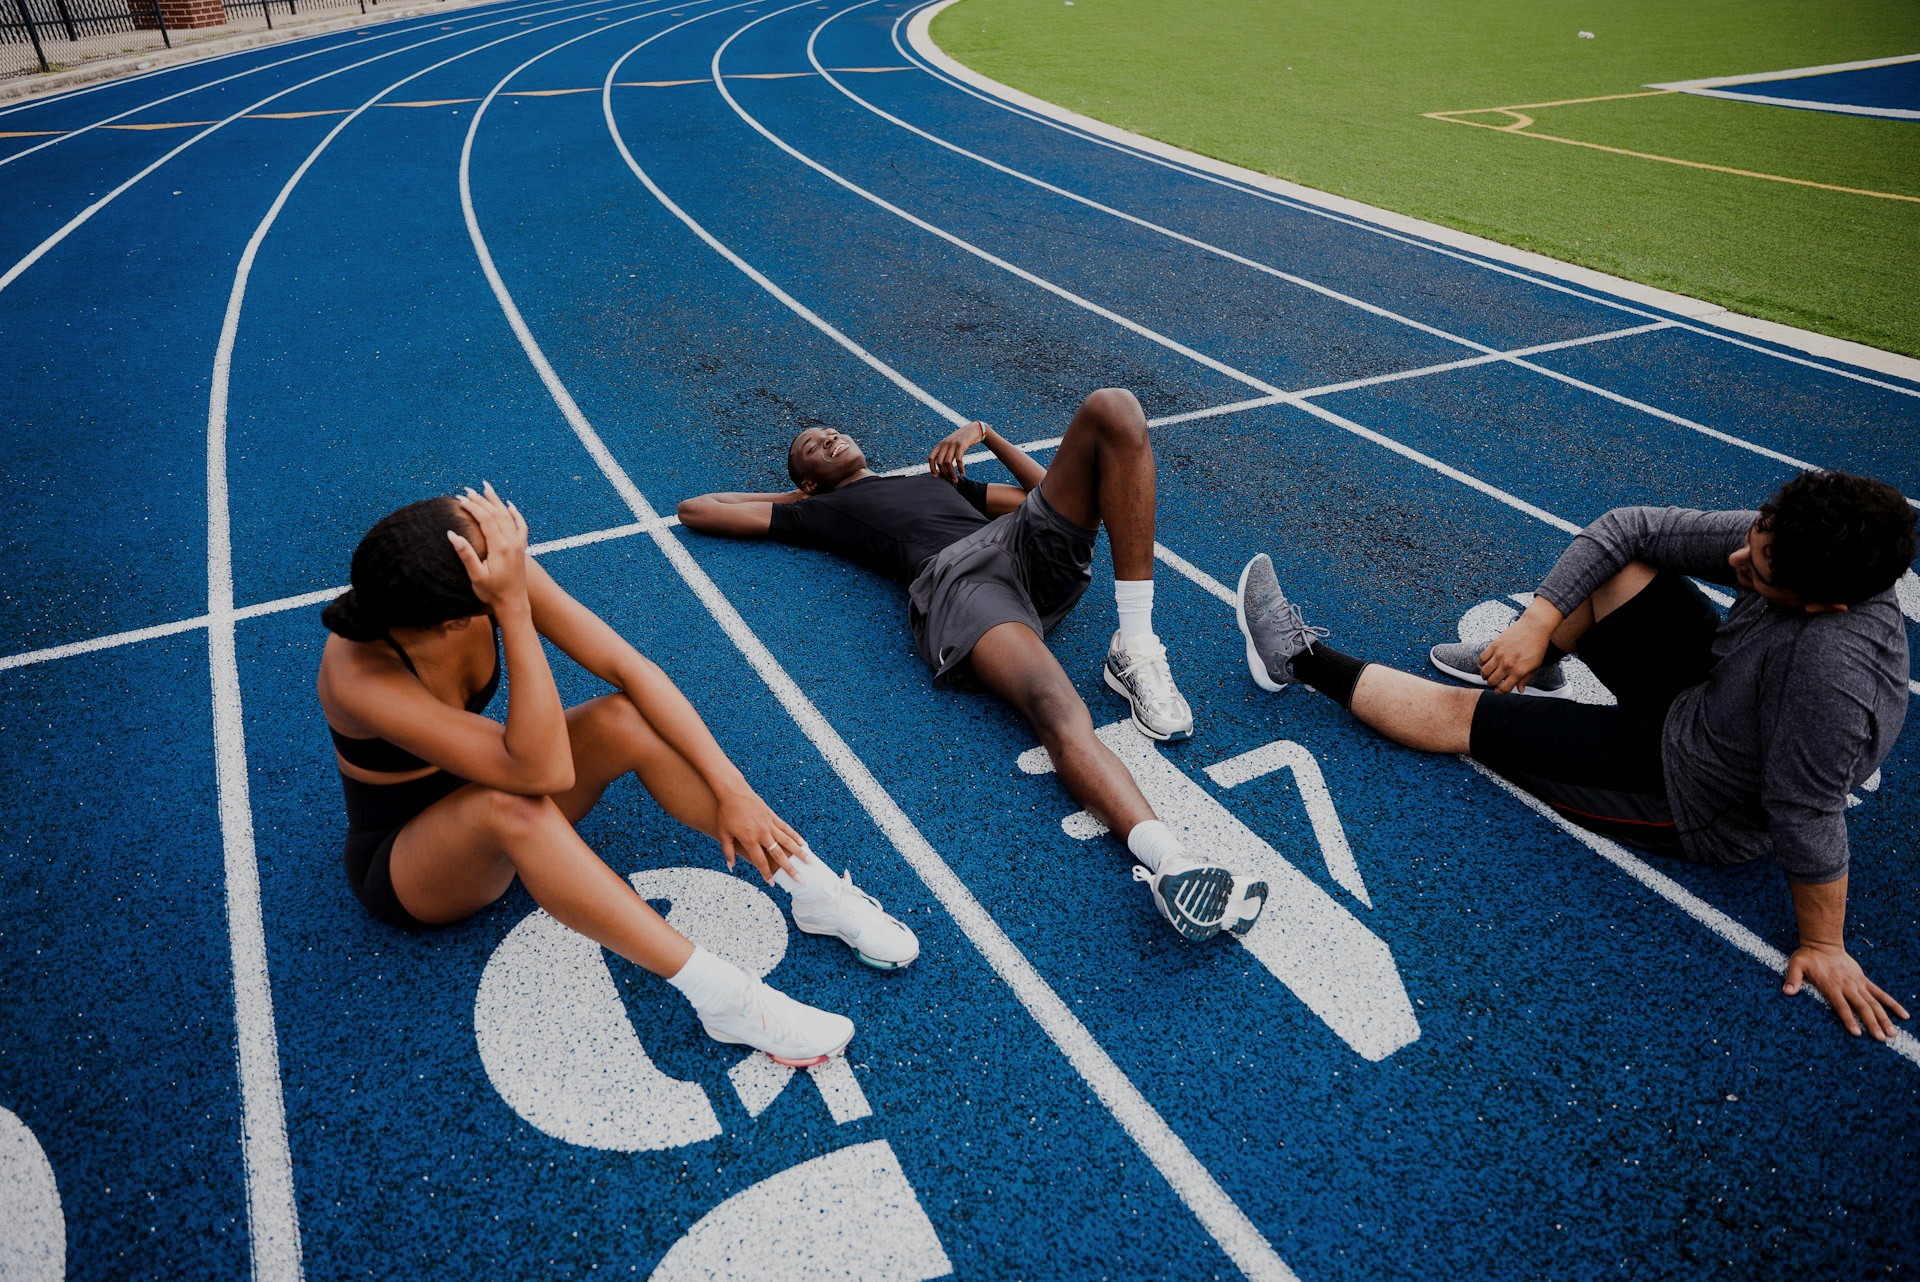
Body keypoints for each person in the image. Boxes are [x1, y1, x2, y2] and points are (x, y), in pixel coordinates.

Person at [1234, 469, 1914, 1041]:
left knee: (1463, 718)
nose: (1738, 562)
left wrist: (1824, 945)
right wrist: (1534, 624)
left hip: (1693, 791)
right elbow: (1629, 527)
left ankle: (1295, 659)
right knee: (1623, 566)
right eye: (1751, 544)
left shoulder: (1830, 679)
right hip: (1717, 694)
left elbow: (1806, 810)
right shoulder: (1798, 543)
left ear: (1827, 606)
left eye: (1757, 573)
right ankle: (1531, 658)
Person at [318, 484, 919, 1068]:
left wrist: (734, 791)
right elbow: (542, 770)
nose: (512, 555)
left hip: (496, 781)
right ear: (456, 620)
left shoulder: (483, 574)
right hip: (411, 862)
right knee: (511, 807)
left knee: (623, 720)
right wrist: (514, 609)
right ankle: (726, 999)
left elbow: (631, 669)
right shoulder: (361, 676)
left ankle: (806, 884)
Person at [677, 389, 1267, 943]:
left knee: (1112, 409)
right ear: (808, 478)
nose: (830, 437)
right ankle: (1171, 863)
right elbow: (697, 508)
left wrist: (986, 435)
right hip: (963, 582)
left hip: (1021, 547)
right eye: (815, 446)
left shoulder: (935, 483)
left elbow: (1062, 496)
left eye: (830, 431)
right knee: (1058, 710)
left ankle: (1135, 642)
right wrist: (804, 498)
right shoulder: (817, 512)